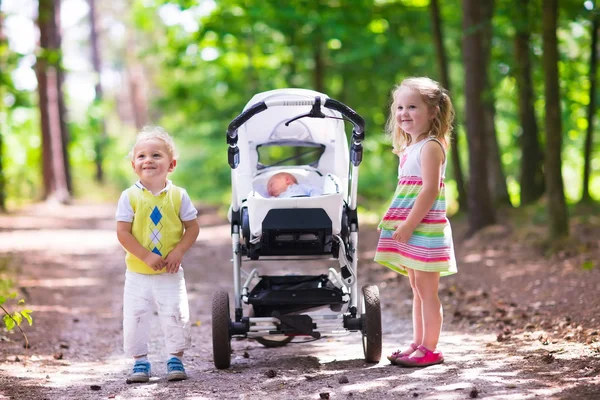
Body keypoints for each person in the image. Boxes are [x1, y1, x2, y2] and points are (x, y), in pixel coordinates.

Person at [374, 77, 457, 367]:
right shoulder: (410, 147)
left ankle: (431, 349)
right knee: (417, 289)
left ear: (433, 111)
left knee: (427, 291)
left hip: (426, 229)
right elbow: (407, 192)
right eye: (399, 107)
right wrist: (393, 219)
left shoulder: (431, 146)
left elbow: (430, 190)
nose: (403, 113)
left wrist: (408, 224)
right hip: (414, 227)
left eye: (412, 106)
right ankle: (418, 344)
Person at [115, 126, 200, 382]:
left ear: (171, 164)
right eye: (141, 156)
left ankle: (175, 358)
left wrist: (178, 251)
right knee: (136, 316)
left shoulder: (178, 196)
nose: (148, 160)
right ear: (133, 165)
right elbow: (123, 233)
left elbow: (192, 227)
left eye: (156, 155)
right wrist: (146, 256)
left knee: (175, 313)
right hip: (137, 273)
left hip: (170, 273)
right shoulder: (129, 197)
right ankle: (140, 362)